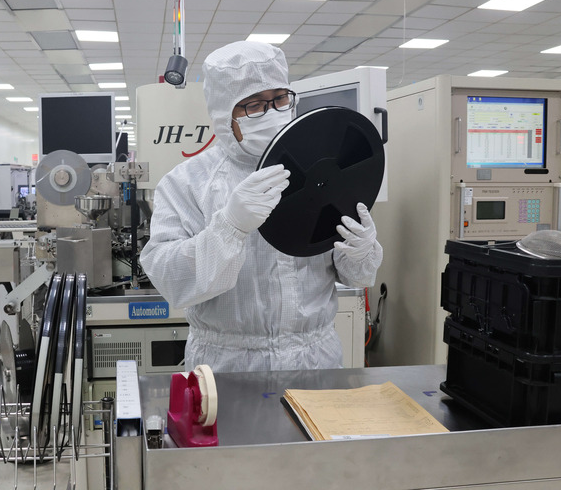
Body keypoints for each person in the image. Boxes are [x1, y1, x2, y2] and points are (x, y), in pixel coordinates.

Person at [139, 41, 382, 373]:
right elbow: (171, 281)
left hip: (315, 361)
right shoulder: (187, 183)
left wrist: (360, 251)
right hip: (228, 368)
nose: (272, 112)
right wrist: (230, 227)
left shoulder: (325, 167)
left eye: (280, 98)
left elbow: (354, 275)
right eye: (254, 105)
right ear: (225, 116)